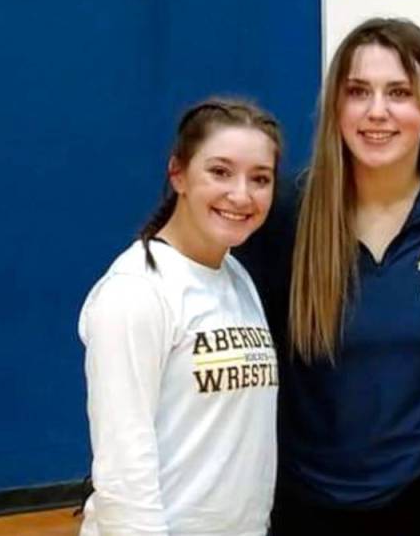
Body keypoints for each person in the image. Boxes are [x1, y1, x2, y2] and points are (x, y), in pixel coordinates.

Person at [237, 18, 420, 535]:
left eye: (399, 92)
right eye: (358, 91)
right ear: (336, 106)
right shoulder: (286, 215)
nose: (377, 111)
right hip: (312, 497)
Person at [79, 98, 283, 535]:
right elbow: (122, 472)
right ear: (179, 174)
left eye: (260, 178)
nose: (241, 194)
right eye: (220, 171)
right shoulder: (136, 291)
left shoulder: (236, 277)